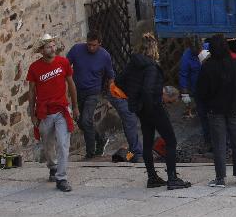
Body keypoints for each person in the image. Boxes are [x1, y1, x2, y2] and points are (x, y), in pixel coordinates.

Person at [119, 33, 191, 191]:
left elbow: (120, 82)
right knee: (171, 141)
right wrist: (151, 103)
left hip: (142, 110)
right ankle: (172, 178)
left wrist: (134, 99)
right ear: (154, 49)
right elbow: (147, 89)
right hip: (153, 108)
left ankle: (152, 178)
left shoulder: (133, 63)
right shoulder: (151, 67)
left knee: (148, 142)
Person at [66, 32, 142, 162]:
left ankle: (90, 154)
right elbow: (65, 66)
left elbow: (110, 75)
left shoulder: (104, 55)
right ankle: (100, 139)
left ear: (99, 43)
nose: (91, 48)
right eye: (89, 44)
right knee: (81, 122)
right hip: (78, 91)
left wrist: (111, 93)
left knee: (86, 120)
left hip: (94, 92)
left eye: (94, 45)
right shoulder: (76, 50)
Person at [26, 34, 79, 193]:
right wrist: (32, 114)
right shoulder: (35, 68)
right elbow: (31, 92)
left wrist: (75, 106)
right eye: (48, 46)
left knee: (63, 144)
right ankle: (53, 167)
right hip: (44, 112)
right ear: (42, 50)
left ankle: (61, 178)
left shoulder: (63, 63)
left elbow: (71, 85)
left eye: (53, 45)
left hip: (62, 109)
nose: (52, 48)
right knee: (48, 144)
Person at [196, 34, 236, 188]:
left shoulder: (207, 66)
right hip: (235, 107)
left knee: (219, 143)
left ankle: (220, 177)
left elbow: (201, 91)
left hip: (215, 109)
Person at [178, 39, 210, 152]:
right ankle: (208, 141)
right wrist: (185, 94)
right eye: (195, 51)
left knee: (217, 115)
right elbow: (183, 75)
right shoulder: (187, 57)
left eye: (199, 50)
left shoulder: (209, 48)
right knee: (203, 115)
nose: (198, 52)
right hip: (198, 91)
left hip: (212, 89)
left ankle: (222, 140)